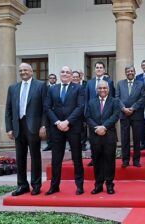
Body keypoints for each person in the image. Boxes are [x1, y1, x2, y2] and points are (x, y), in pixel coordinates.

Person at [5, 63, 47, 196]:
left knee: (35, 156)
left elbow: (46, 108)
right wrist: (9, 128)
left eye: (25, 70)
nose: (23, 72)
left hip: (34, 126)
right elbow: (8, 109)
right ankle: (22, 185)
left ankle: (36, 185)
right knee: (20, 157)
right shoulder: (13, 88)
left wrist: (43, 125)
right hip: (18, 126)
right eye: (21, 70)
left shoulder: (40, 85)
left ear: (31, 71)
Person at [45, 66, 85, 195]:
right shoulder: (53, 89)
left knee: (76, 158)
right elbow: (48, 107)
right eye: (63, 72)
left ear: (71, 75)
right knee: (56, 158)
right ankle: (54, 186)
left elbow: (80, 107)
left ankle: (79, 186)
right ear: (59, 74)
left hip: (73, 127)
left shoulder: (78, 88)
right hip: (56, 128)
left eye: (68, 72)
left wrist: (67, 122)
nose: (65, 74)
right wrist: (57, 122)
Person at [86, 80, 120, 194]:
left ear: (108, 89)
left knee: (109, 161)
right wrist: (97, 128)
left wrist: (104, 127)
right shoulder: (91, 102)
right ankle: (98, 185)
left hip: (109, 136)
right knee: (97, 161)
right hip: (95, 136)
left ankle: (110, 184)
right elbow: (87, 117)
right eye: (100, 88)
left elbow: (116, 116)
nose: (102, 90)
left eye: (104, 88)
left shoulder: (114, 101)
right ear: (97, 90)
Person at [116, 65, 145, 167]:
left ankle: (136, 160)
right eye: (128, 71)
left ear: (135, 72)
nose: (130, 72)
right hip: (124, 114)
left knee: (137, 138)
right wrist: (123, 108)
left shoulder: (140, 84)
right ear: (125, 72)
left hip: (136, 114)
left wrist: (133, 108)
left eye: (132, 71)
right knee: (125, 138)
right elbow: (117, 98)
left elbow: (142, 98)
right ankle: (125, 160)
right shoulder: (120, 83)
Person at [86, 62, 115, 159]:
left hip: (106, 117)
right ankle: (93, 159)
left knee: (107, 145)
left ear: (104, 70)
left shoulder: (109, 82)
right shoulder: (89, 82)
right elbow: (86, 99)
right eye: (97, 67)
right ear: (94, 70)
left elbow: (112, 99)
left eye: (101, 67)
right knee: (94, 142)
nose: (99, 69)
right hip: (93, 118)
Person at [135, 59, 145, 150]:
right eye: (143, 65)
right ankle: (143, 142)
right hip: (141, 104)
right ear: (141, 67)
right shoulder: (138, 77)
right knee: (141, 124)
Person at [43, 73, 57, 151]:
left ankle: (55, 145)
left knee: (55, 129)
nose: (52, 79)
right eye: (51, 78)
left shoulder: (58, 87)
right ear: (48, 80)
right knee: (48, 129)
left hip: (56, 112)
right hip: (47, 111)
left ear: (56, 79)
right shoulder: (45, 88)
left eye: (53, 78)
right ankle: (49, 144)